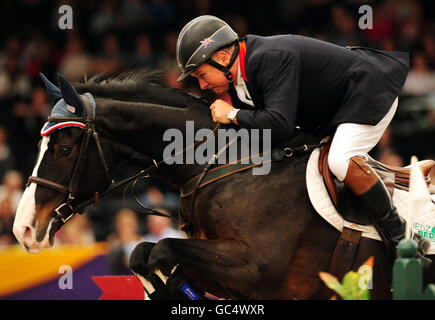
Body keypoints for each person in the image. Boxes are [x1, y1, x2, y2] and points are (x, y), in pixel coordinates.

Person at [175, 15, 431, 265]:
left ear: (222, 58)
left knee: (340, 160)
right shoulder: (237, 76)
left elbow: (279, 124)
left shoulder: (268, 58)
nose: (202, 85)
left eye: (201, 75)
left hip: (368, 93)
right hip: (332, 112)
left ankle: (403, 238)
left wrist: (232, 114)